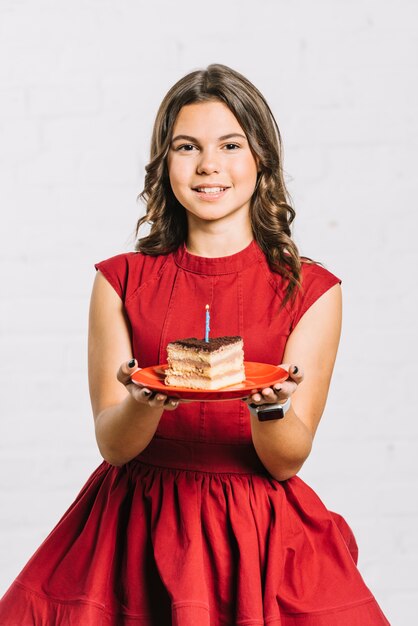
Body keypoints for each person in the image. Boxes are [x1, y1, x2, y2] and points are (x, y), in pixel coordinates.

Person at [0, 64, 389, 625]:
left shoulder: (311, 291)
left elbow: (286, 461)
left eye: (230, 144)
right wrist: (141, 401)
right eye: (188, 146)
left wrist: (270, 407)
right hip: (135, 527)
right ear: (165, 163)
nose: (209, 164)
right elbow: (113, 446)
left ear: (261, 159)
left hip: (255, 534)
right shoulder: (119, 280)